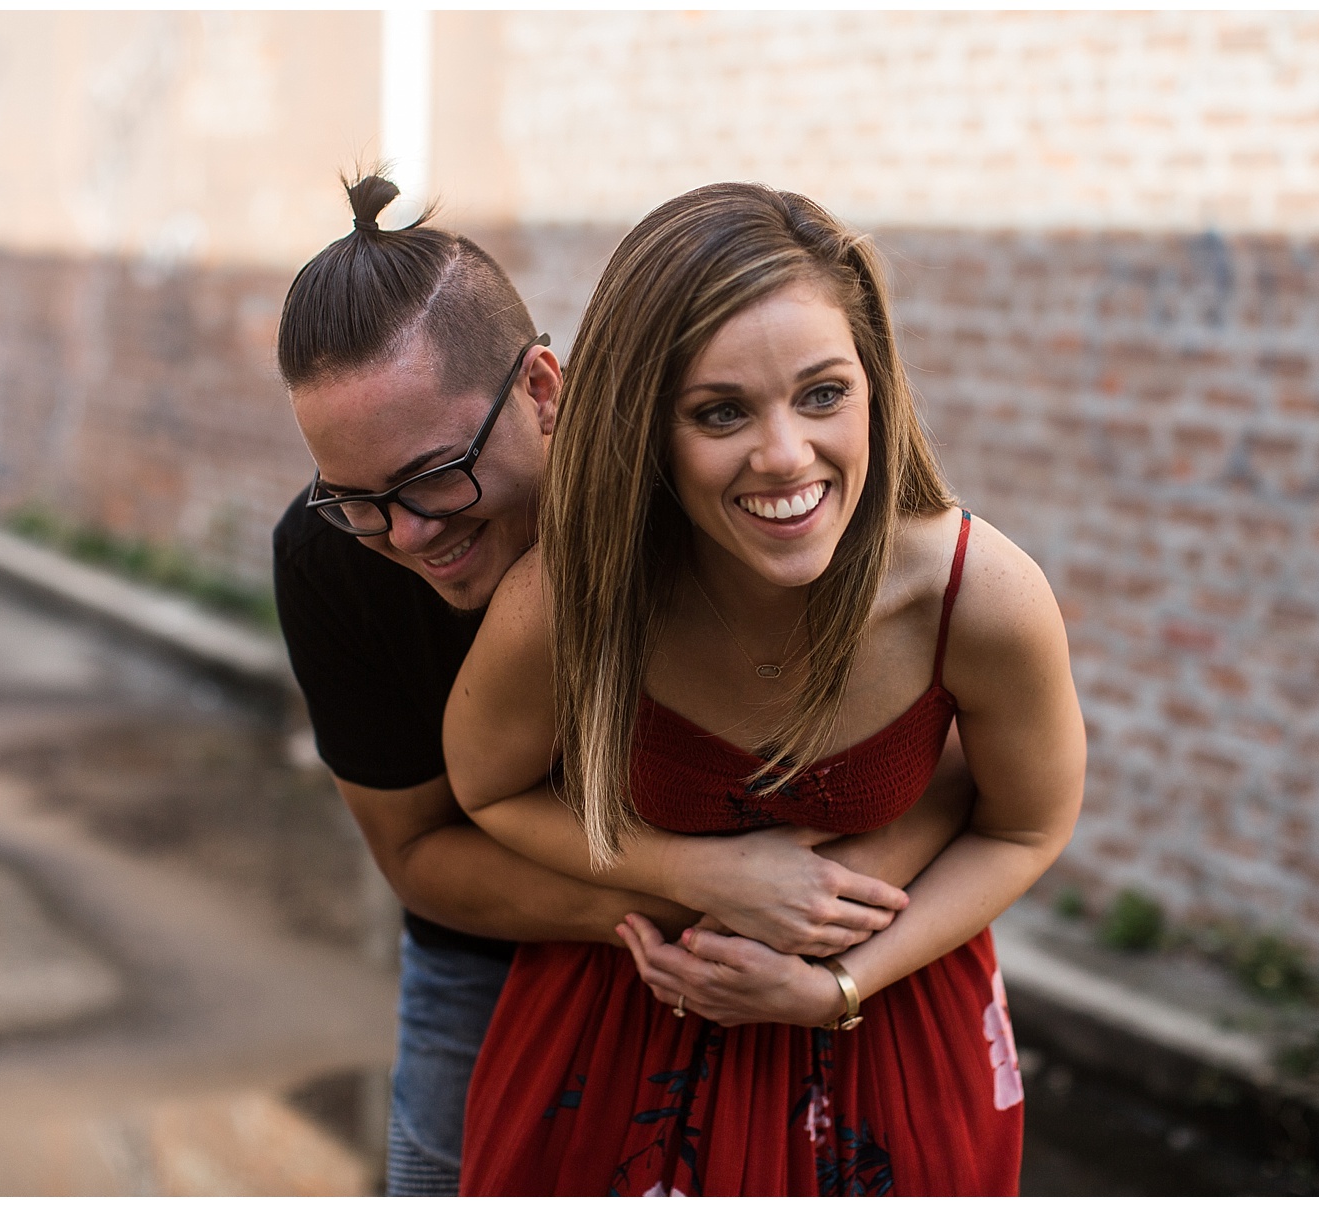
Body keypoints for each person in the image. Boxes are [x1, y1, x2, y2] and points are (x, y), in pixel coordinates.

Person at [271, 174, 978, 1194]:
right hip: (506, 944)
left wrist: (827, 931)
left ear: (544, 389)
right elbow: (420, 851)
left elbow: (943, 752)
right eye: (358, 498)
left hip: (786, 947)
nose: (408, 533)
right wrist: (698, 894)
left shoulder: (701, 483)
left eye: (435, 476)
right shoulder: (331, 557)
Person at [444, 182, 1086, 1194]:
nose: (786, 456)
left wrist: (834, 984)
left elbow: (1025, 826)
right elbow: (489, 790)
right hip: (614, 1059)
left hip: (896, 1049)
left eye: (824, 394)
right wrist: (694, 874)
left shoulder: (979, 595)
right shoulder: (572, 598)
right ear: (644, 425)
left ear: (875, 383)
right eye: (720, 411)